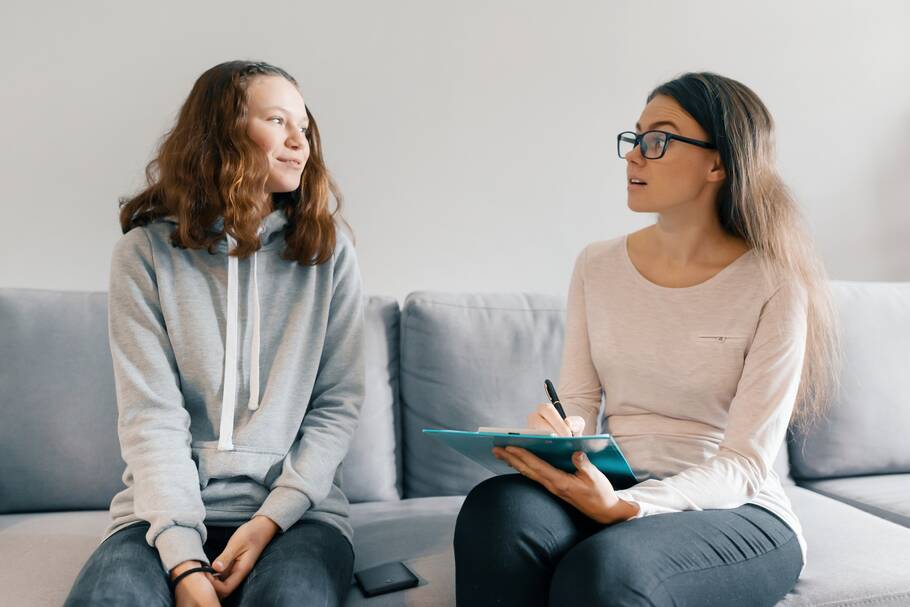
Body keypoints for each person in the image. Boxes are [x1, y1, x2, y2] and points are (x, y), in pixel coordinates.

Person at [454, 72, 842, 606]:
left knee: (606, 570)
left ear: (719, 162)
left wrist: (629, 509)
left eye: (658, 139)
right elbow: (582, 402)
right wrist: (562, 434)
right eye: (634, 138)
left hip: (734, 508)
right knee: (496, 512)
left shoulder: (775, 281)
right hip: (616, 483)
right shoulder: (597, 265)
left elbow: (746, 464)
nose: (634, 155)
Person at [64, 60, 364, 607]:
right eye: (278, 121)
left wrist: (271, 519)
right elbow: (149, 416)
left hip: (298, 516)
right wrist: (182, 559)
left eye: (305, 126)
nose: (301, 142)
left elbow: (337, 406)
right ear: (224, 133)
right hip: (159, 514)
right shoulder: (144, 255)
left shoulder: (330, 254)